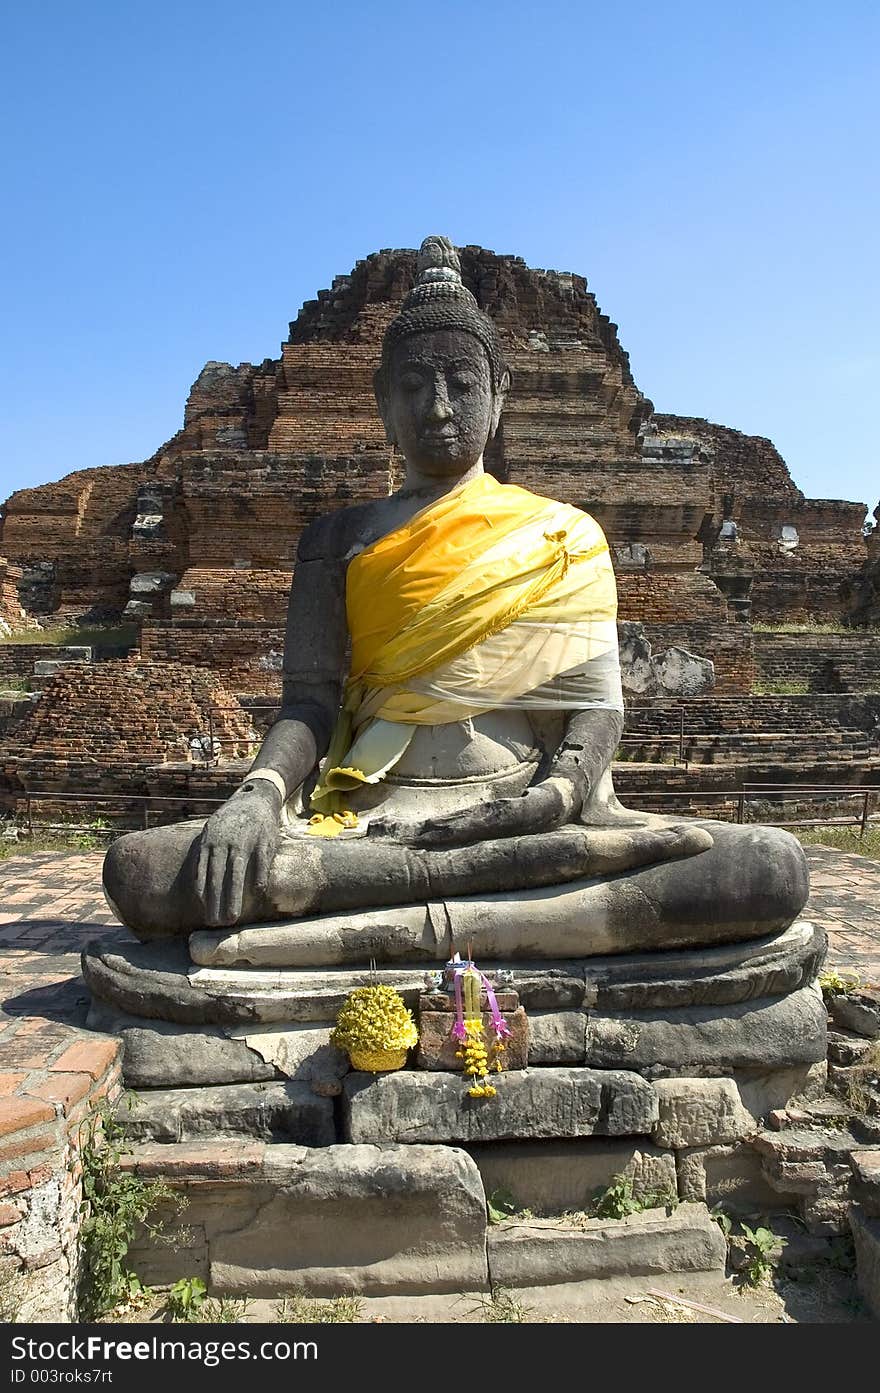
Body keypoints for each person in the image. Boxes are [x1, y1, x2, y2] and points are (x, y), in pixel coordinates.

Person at [103, 238, 808, 960]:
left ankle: (371, 932)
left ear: (500, 393)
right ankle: (520, 926)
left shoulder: (563, 534)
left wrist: (555, 798)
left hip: (527, 815)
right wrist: (256, 796)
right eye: (413, 384)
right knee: (143, 872)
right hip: (371, 816)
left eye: (462, 382)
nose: (438, 406)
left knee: (768, 868)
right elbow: (309, 704)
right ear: (382, 401)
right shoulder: (336, 540)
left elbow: (592, 712)